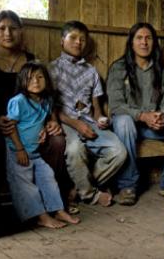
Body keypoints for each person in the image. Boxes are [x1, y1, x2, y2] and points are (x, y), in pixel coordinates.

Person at [0, 10, 74, 213]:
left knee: (57, 141)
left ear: (21, 32)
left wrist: (52, 121)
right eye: (1, 28)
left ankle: (52, 199)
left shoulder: (33, 61)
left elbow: (48, 96)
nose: (8, 33)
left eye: (13, 28)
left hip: (32, 126)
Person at [107, 22, 164, 205]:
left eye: (148, 38)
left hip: (152, 126)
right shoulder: (119, 68)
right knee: (123, 121)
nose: (144, 42)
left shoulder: (160, 70)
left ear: (154, 42)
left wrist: (162, 115)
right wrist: (142, 116)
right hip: (128, 127)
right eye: (139, 38)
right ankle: (128, 186)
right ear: (131, 43)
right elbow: (116, 106)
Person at [49, 20, 126, 207]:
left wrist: (100, 118)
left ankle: (79, 187)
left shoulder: (91, 71)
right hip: (66, 121)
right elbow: (51, 107)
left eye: (82, 39)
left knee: (119, 152)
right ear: (62, 41)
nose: (78, 42)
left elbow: (96, 105)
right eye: (73, 38)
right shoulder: (51, 69)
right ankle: (90, 195)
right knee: (75, 149)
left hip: (88, 120)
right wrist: (76, 125)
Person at [6, 61, 79, 228]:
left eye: (40, 77)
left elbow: (42, 119)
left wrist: (46, 128)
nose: (36, 81)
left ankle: (58, 210)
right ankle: (41, 216)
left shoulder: (45, 100)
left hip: (35, 152)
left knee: (48, 179)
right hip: (18, 151)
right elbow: (10, 127)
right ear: (22, 81)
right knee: (26, 186)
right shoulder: (19, 101)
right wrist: (19, 149)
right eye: (30, 78)